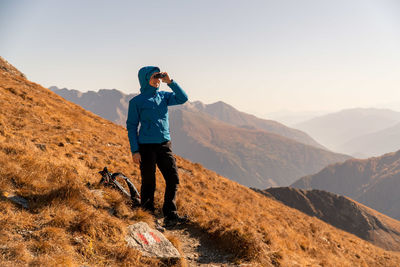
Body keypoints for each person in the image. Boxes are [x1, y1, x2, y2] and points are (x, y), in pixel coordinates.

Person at [126, 66, 188, 226]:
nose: (158, 80)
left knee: (173, 178)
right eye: (155, 77)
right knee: (148, 181)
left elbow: (183, 98)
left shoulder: (164, 96)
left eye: (159, 77)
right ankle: (147, 214)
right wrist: (135, 150)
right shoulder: (136, 102)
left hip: (164, 145)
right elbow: (132, 126)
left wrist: (170, 82)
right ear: (146, 79)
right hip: (146, 147)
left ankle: (170, 214)